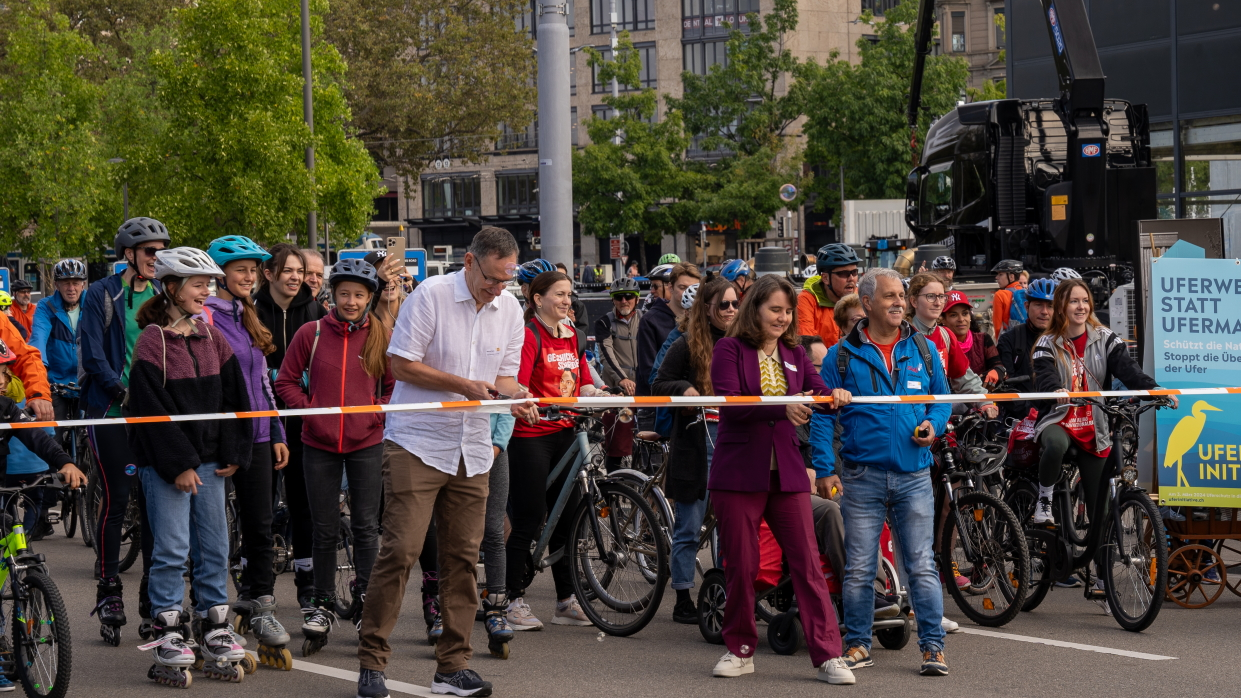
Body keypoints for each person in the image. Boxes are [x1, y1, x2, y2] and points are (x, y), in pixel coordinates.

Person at [356, 227, 534, 698]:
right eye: (494, 278)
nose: (500, 289)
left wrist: (518, 398)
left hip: (473, 448)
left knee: (461, 559)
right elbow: (400, 366)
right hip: (417, 442)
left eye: (507, 280)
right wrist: (465, 386)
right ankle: (372, 662)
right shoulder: (432, 296)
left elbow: (505, 379)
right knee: (401, 551)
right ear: (471, 263)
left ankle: (452, 667)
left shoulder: (511, 309)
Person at [706, 274, 854, 684]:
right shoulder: (728, 348)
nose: (783, 317)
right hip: (738, 472)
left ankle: (828, 655)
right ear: (755, 308)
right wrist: (781, 408)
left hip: (786, 472)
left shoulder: (794, 351)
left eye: (788, 311)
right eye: (775, 309)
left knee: (807, 562)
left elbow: (819, 391)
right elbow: (732, 404)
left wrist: (832, 396)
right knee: (741, 563)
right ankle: (739, 649)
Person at [811, 267, 952, 677]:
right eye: (889, 296)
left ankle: (933, 648)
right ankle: (857, 644)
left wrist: (934, 426)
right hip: (861, 477)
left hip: (914, 476)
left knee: (922, 564)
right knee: (857, 566)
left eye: (901, 296)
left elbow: (941, 400)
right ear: (867, 303)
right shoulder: (840, 354)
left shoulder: (922, 349)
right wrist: (824, 466)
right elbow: (822, 414)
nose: (898, 302)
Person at [127, 247, 253, 685]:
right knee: (171, 551)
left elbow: (237, 399)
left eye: (210, 284)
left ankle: (215, 625)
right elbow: (149, 412)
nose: (208, 291)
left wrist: (236, 451)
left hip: (213, 463)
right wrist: (179, 464)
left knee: (216, 548)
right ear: (172, 288)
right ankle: (168, 630)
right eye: (199, 284)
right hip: (168, 468)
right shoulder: (152, 342)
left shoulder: (211, 337)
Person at [275, 258, 393, 648]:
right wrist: (309, 410)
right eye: (344, 294)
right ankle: (322, 602)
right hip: (319, 444)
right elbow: (285, 381)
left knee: (364, 528)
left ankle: (365, 601)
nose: (352, 301)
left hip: (366, 444)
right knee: (323, 528)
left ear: (369, 297)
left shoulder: (381, 335)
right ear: (333, 295)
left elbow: (394, 387)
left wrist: (378, 413)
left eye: (359, 295)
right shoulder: (311, 334)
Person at [202, 235, 292, 654]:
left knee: (260, 527)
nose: (250, 276)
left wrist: (275, 431)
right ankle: (207, 613)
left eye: (254, 270)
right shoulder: (205, 318)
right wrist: (226, 445)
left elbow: (262, 381)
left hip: (257, 438)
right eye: (242, 269)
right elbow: (209, 391)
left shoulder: (246, 315)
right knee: (211, 534)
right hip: (221, 444)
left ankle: (262, 605)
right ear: (219, 275)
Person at [80, 216, 165, 645]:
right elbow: (93, 355)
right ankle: (109, 590)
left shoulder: (163, 292)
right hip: (112, 410)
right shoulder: (101, 293)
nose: (157, 258)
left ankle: (153, 597)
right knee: (116, 498)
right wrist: (122, 391)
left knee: (154, 504)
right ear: (129, 254)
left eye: (161, 251)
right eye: (151, 251)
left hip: (152, 414)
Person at [1029, 279, 1170, 528]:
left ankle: (1101, 560)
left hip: (1094, 424)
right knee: (1055, 445)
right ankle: (1045, 499)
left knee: (1101, 516)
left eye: (1085, 301)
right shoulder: (1047, 341)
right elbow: (1044, 374)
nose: (1081, 307)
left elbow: (1129, 371)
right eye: (1074, 301)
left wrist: (1155, 390)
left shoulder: (1105, 338)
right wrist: (1056, 390)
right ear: (1061, 306)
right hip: (1058, 418)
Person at [503, 270, 599, 631]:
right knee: (529, 517)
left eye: (569, 294)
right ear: (538, 299)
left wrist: (596, 395)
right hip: (532, 435)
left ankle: (565, 600)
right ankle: (512, 600)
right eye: (559, 294)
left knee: (568, 519)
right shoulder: (530, 335)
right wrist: (526, 401)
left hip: (567, 432)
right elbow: (518, 384)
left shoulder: (573, 333)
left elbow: (583, 378)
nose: (566, 300)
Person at [651, 278, 738, 623]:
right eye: (724, 305)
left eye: (735, 304)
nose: (731, 311)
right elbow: (658, 383)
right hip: (696, 440)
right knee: (688, 525)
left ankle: (730, 590)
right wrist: (684, 388)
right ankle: (683, 596)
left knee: (733, 525)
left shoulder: (745, 343)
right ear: (705, 308)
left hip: (734, 440)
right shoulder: (686, 344)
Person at [256, 243, 327, 607]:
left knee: (304, 505)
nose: (297, 277)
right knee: (262, 507)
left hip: (301, 417)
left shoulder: (315, 311)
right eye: (288, 270)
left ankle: (307, 584)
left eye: (300, 271)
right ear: (269, 274)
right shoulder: (252, 310)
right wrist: (272, 376)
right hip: (264, 418)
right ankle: (258, 584)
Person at [0, 339, 86, 537]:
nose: (3, 381)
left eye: (4, 373)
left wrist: (66, 462)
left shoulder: (6, 408)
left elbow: (36, 436)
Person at [905, 274, 998, 419]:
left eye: (941, 297)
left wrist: (985, 402)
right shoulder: (901, 334)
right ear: (914, 301)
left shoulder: (945, 335)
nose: (937, 303)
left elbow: (964, 378)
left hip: (937, 415)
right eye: (931, 296)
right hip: (906, 416)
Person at [997, 277, 1056, 419]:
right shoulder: (1010, 339)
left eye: (1050, 306)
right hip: (1021, 419)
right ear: (1026, 306)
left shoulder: (1065, 340)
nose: (1045, 312)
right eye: (1038, 305)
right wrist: (1030, 413)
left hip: (1060, 415)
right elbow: (1003, 388)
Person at [798, 243, 861, 348]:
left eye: (854, 272)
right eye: (844, 273)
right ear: (825, 278)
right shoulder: (807, 300)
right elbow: (807, 344)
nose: (851, 278)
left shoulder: (861, 296)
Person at [941, 291, 1002, 384]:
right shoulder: (937, 345)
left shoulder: (983, 339)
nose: (961, 319)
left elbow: (999, 367)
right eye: (953, 315)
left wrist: (995, 372)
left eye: (965, 313)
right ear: (943, 319)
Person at [990, 259, 1027, 338]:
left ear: (1011, 276)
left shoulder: (1000, 295)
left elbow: (997, 327)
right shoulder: (1026, 292)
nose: (996, 277)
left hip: (1009, 341)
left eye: (1000, 274)